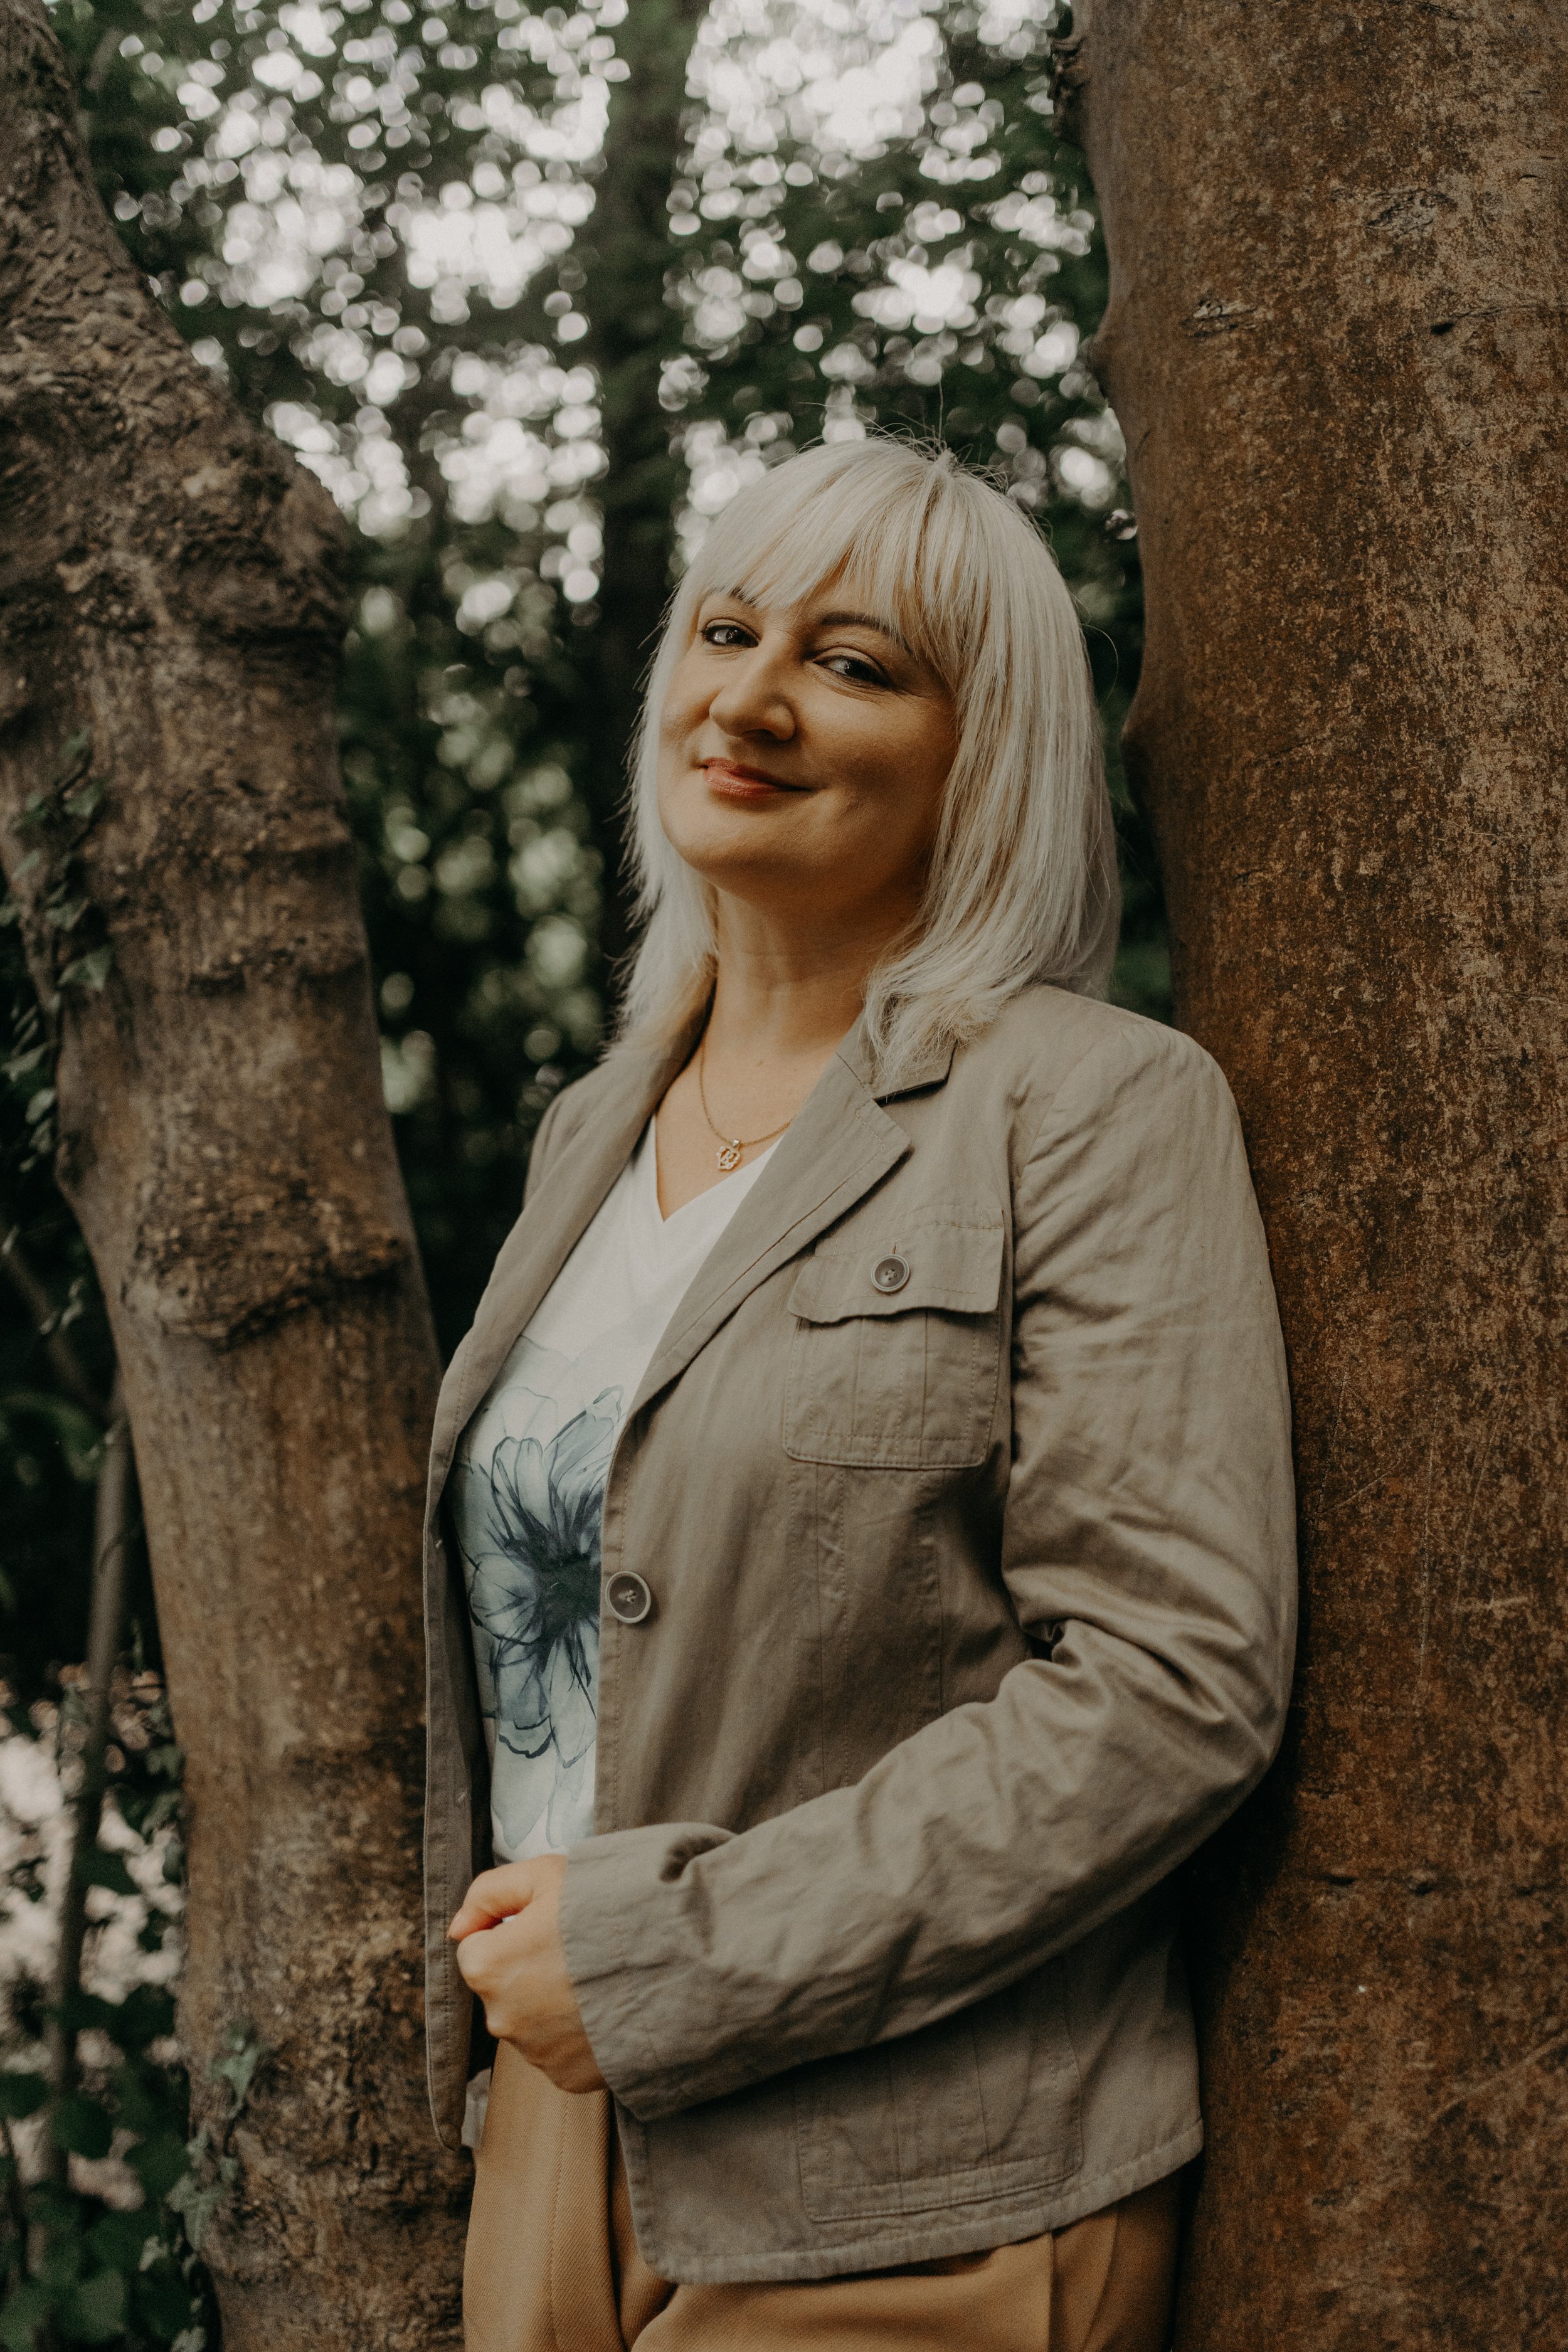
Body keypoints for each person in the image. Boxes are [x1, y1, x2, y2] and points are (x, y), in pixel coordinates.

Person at [421, 437, 1296, 2351]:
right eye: (725, 630)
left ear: (982, 751)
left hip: (921, 2190)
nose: (747, 697)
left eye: (854, 661)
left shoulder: (1088, 1105)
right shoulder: (594, 1125)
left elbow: (1169, 1683)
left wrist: (671, 1957)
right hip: (556, 2141)